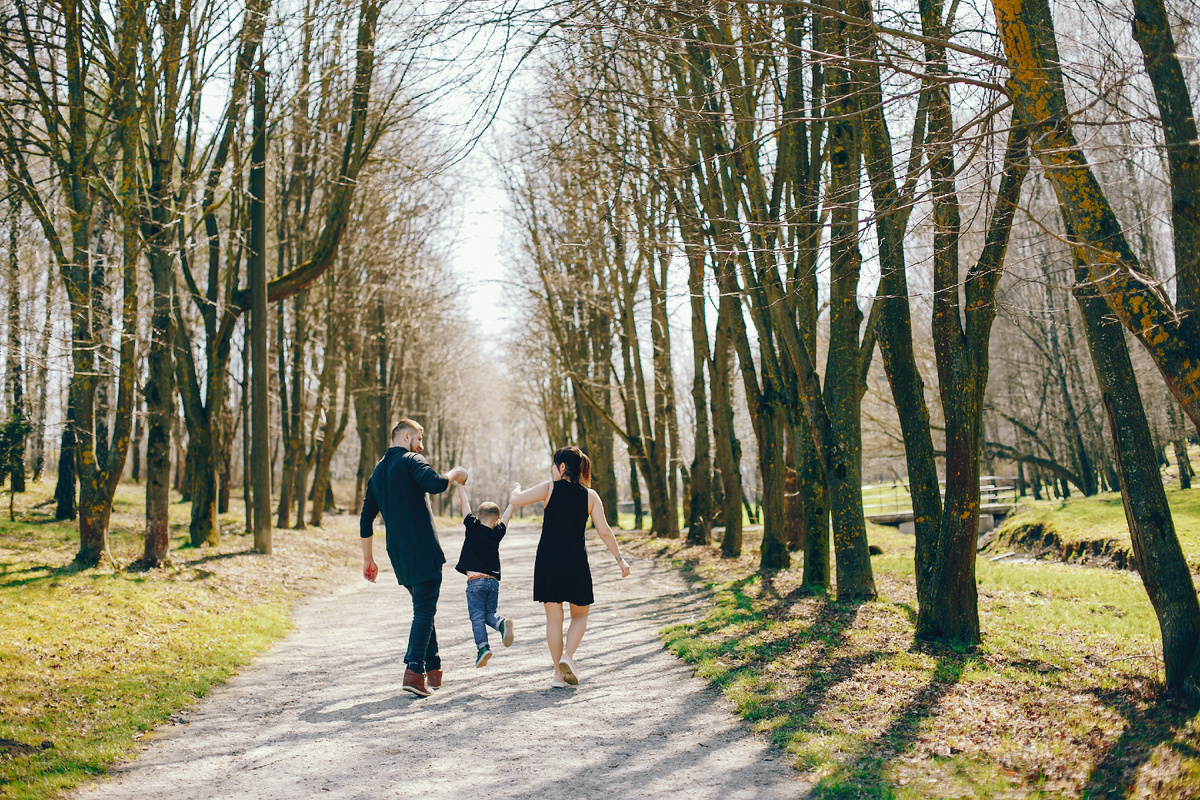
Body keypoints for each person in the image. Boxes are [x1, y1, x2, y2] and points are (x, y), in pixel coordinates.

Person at [360, 418, 467, 698]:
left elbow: (365, 520)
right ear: (406, 437)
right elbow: (436, 484)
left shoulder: (378, 472)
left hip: (398, 554)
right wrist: (455, 473)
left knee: (423, 606)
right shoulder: (410, 460)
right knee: (424, 609)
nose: (421, 447)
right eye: (419, 440)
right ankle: (413, 670)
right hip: (423, 549)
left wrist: (368, 559)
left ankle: (434, 669)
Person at [507, 446, 630, 688]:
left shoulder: (549, 488)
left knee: (554, 620)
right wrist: (620, 558)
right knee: (580, 615)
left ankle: (557, 675)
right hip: (575, 563)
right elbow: (604, 531)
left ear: (562, 467)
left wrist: (516, 489)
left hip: (547, 562)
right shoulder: (590, 496)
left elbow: (516, 500)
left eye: (554, 465)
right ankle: (568, 657)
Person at [453, 482, 516, 668]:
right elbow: (507, 516)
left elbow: (464, 503)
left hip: (475, 582)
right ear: (495, 521)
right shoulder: (497, 532)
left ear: (478, 517)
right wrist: (513, 498)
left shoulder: (472, 527)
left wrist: (459, 484)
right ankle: (502, 623)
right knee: (489, 614)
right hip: (493, 582)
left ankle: (483, 647)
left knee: (477, 617)